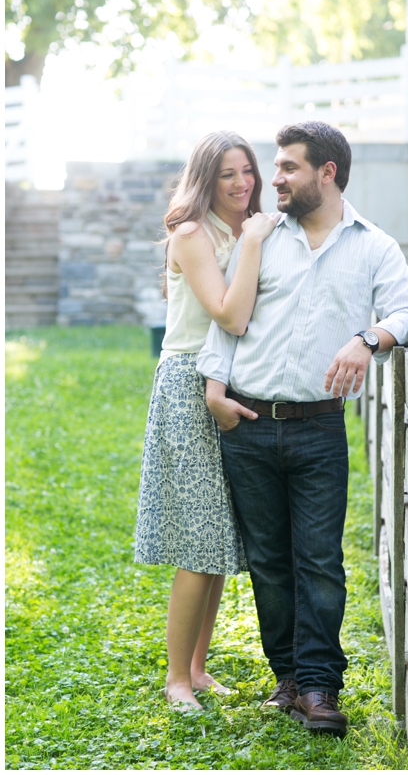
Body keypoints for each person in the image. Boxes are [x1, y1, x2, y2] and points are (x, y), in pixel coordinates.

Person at [196, 121, 408, 738]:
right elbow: (229, 322)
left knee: (319, 562)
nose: (275, 179)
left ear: (328, 172)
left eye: (288, 167)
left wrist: (367, 338)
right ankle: (288, 678)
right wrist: (216, 391)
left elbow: (404, 310)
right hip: (247, 422)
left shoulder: (375, 246)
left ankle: (320, 685)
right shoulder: (260, 238)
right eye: (276, 166)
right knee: (269, 562)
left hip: (320, 429)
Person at [134, 131, 282, 711]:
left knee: (218, 537)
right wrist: (251, 243)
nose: (242, 183)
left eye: (247, 171)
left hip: (230, 383)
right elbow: (228, 313)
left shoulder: (247, 228)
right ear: (205, 179)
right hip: (189, 384)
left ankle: (197, 668)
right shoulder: (193, 233)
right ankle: (174, 678)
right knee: (198, 542)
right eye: (227, 174)